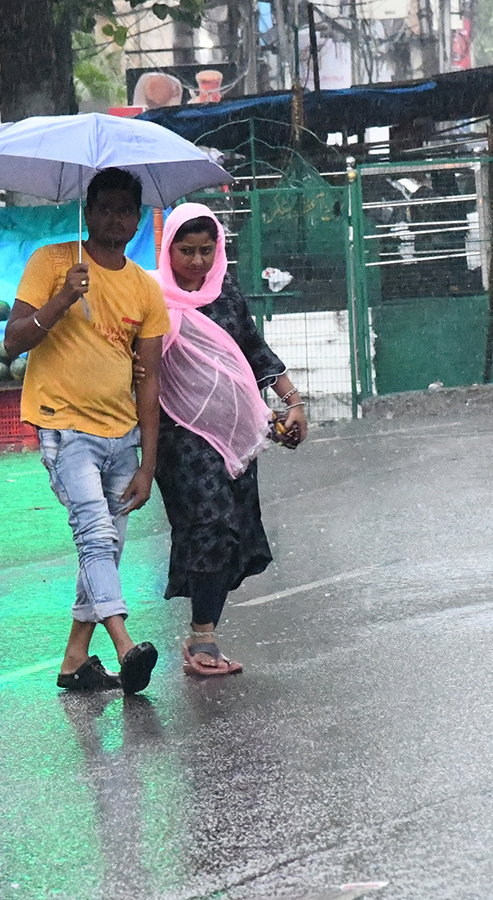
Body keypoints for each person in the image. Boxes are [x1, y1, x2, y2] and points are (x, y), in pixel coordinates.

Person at [4, 168, 169, 694]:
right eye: (105, 208)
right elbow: (12, 342)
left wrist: (148, 463)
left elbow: (150, 378)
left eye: (126, 210)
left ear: (136, 218)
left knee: (107, 547)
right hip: (63, 427)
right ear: (89, 210)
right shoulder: (53, 263)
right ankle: (125, 647)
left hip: (123, 437)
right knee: (95, 535)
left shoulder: (145, 288)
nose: (115, 219)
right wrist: (62, 300)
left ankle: (75, 660)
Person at [153, 202, 308, 677]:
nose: (197, 261)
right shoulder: (151, 298)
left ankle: (205, 632)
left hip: (233, 430)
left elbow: (254, 350)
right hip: (180, 436)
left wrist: (292, 401)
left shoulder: (227, 294)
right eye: (186, 250)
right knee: (210, 523)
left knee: (231, 527)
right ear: (169, 249)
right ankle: (203, 639)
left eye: (206, 250)